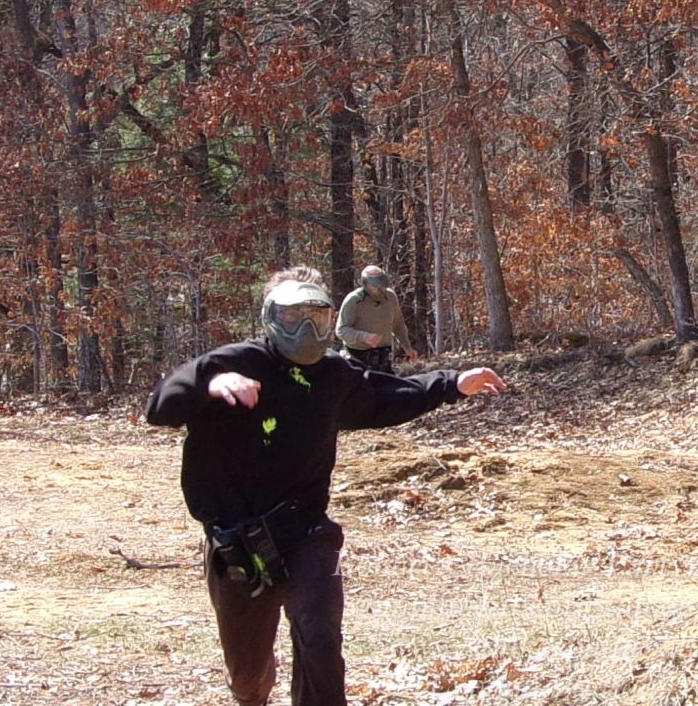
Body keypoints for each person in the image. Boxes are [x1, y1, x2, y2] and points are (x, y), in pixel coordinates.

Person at [145, 266, 506, 706]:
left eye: (316, 317)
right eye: (293, 316)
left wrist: (452, 384)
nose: (306, 329)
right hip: (235, 541)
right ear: (271, 317)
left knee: (320, 638)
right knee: (248, 677)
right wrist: (209, 385)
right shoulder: (233, 363)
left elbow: (387, 396)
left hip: (306, 532)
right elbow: (159, 407)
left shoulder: (334, 375)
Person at [337, 265, 419, 373]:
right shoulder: (354, 300)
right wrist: (363, 337)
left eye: (383, 286)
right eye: (376, 286)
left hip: (383, 359)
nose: (381, 290)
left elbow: (398, 325)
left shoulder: (390, 297)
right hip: (357, 360)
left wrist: (407, 347)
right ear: (365, 284)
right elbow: (341, 330)